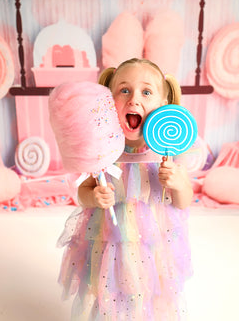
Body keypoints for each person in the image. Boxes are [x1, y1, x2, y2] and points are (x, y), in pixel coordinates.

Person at [58, 58, 193, 320]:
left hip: (153, 244)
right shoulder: (102, 151)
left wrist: (177, 183)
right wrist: (94, 196)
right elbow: (84, 192)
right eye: (124, 90)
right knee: (109, 289)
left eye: (146, 92)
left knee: (149, 292)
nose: (133, 100)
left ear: (163, 105)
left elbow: (183, 202)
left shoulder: (168, 152)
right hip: (109, 240)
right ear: (109, 102)